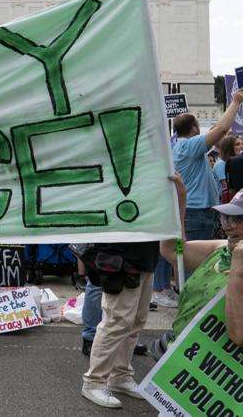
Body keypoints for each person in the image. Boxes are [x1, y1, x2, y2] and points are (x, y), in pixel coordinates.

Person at [80, 173, 185, 409]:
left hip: (143, 258)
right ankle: (94, 381)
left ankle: (120, 376)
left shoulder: (149, 178)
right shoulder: (118, 179)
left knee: (134, 322)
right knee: (117, 322)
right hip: (122, 258)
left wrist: (177, 194)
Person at [154, 184, 243, 358]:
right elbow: (173, 250)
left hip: (214, 375)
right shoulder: (222, 249)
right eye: (225, 218)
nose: (227, 226)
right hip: (180, 361)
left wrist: (237, 275)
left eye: (236, 219)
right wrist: (177, 201)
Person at [171, 89, 243, 241]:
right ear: (194, 129)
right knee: (195, 260)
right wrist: (236, 102)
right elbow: (221, 129)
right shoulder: (189, 146)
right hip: (196, 213)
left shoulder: (179, 146)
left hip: (192, 211)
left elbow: (216, 129)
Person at [213, 134, 242, 203]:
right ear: (229, 147)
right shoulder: (221, 164)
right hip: (225, 203)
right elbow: (226, 186)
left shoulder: (233, 162)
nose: (241, 146)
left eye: (241, 144)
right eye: (237, 144)